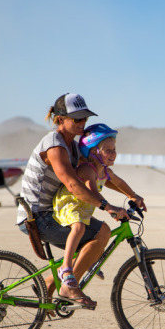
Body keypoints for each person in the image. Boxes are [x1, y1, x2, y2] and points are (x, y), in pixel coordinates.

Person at [17, 93, 145, 307]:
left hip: (54, 213)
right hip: (38, 216)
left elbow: (100, 173)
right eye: (77, 119)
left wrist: (131, 195)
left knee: (100, 235)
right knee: (100, 232)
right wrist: (107, 206)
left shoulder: (74, 147)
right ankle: (67, 284)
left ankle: (51, 282)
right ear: (60, 119)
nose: (82, 123)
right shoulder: (54, 145)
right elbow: (73, 185)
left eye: (85, 118)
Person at [53, 123, 146, 288]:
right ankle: (66, 268)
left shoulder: (105, 171)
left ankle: (88, 262)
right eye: (108, 150)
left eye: (114, 149)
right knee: (79, 228)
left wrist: (133, 195)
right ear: (94, 151)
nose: (113, 154)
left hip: (83, 208)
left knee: (103, 234)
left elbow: (119, 182)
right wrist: (111, 208)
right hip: (69, 204)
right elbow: (93, 192)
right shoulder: (87, 169)